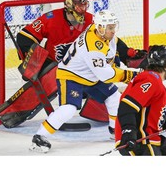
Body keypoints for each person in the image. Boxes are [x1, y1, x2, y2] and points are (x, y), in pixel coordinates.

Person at [29, 10, 138, 153]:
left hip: (91, 74)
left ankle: (114, 130)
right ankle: (39, 137)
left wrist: (121, 60)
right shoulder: (92, 46)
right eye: (110, 28)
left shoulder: (98, 30)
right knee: (69, 109)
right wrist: (130, 75)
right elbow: (105, 74)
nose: (113, 31)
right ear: (100, 27)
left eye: (113, 26)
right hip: (71, 75)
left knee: (114, 97)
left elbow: (111, 50)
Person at [114, 45, 166, 156]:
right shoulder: (151, 79)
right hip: (139, 140)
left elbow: (147, 117)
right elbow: (127, 106)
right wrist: (128, 132)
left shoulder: (154, 81)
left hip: (150, 137)